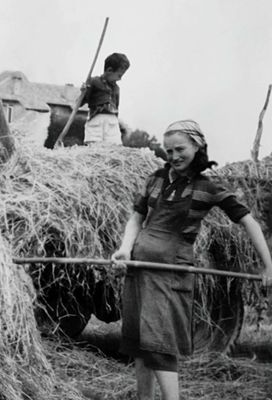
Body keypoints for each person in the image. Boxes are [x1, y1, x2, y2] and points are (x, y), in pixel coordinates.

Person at [111, 119, 272, 400]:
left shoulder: (207, 187)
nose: (174, 156)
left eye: (180, 149)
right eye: (169, 150)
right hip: (139, 269)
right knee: (139, 346)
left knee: (159, 345)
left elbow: (249, 222)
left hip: (170, 272)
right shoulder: (156, 179)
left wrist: (269, 266)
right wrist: (125, 249)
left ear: (197, 147)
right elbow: (136, 218)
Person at [81, 52, 130, 145]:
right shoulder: (93, 81)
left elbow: (117, 107)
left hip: (112, 122)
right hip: (96, 120)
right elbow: (80, 102)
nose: (120, 79)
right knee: (93, 146)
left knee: (114, 146)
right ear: (109, 70)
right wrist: (83, 92)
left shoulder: (116, 88)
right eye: (119, 75)